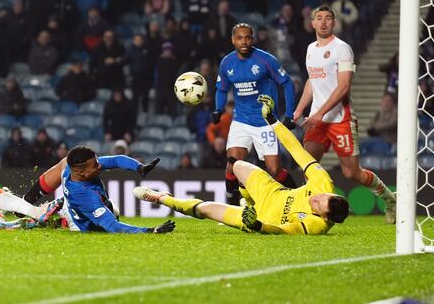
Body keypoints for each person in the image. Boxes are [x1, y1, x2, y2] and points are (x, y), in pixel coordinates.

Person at [135, 96, 349, 235]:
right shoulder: (323, 184)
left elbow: (281, 231)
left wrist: (256, 225)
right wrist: (273, 121)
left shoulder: (314, 226)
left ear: (324, 217)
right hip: (273, 192)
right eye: (325, 197)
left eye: (320, 204)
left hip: (260, 219)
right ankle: (246, 201)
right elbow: (297, 151)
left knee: (205, 209)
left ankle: (160, 197)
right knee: (236, 165)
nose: (317, 197)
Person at [293, 6, 396, 222]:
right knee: (307, 165)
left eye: (328, 18)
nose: (323, 22)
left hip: (340, 119)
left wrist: (320, 113)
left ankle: (389, 198)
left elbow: (343, 87)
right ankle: (312, 212)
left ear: (333, 23)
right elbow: (313, 81)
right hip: (317, 120)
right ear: (312, 23)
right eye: (319, 18)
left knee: (352, 173)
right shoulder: (311, 48)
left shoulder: (342, 49)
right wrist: (300, 108)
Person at [213, 23, 297, 205]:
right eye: (239, 38)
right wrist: (218, 109)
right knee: (232, 164)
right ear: (233, 40)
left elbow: (287, 83)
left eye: (248, 37)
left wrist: (289, 113)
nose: (244, 41)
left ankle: (297, 198)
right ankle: (232, 207)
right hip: (241, 120)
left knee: (275, 170)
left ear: (253, 39)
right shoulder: (226, 63)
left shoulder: (266, 60)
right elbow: (221, 89)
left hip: (265, 121)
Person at [56, 147, 173, 233]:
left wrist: (140, 167)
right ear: (81, 172)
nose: (100, 166)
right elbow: (113, 227)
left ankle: (60, 205)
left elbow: (116, 160)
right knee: (113, 212)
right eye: (95, 165)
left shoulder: (72, 169)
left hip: (76, 206)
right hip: (82, 225)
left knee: (110, 206)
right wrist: (151, 230)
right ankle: (59, 215)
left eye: (97, 162)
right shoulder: (87, 197)